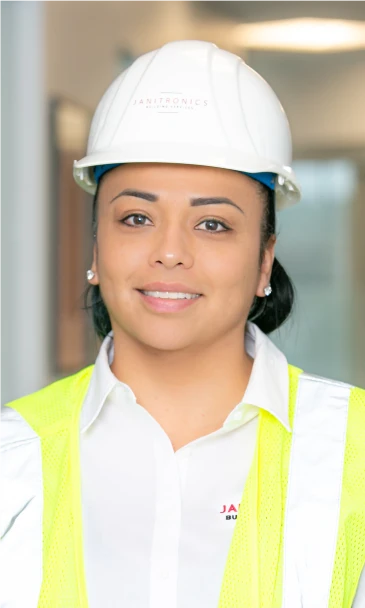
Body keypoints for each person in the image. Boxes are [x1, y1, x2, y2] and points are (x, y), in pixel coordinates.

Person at [1, 40, 364, 608]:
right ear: (97, 246)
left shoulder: (353, 453)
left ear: (265, 258)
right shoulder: (11, 456)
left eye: (213, 224)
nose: (169, 252)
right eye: (137, 217)